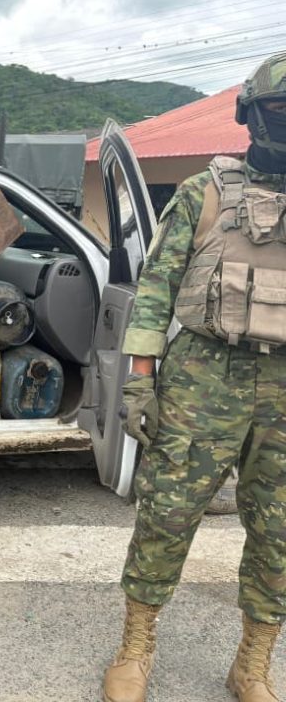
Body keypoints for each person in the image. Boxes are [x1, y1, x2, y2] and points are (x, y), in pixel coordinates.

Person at [103, 52, 286, 702]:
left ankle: (252, 666)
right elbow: (155, 290)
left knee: (279, 532)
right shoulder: (202, 193)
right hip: (203, 378)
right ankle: (135, 648)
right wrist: (139, 379)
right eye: (279, 110)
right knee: (166, 515)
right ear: (250, 115)